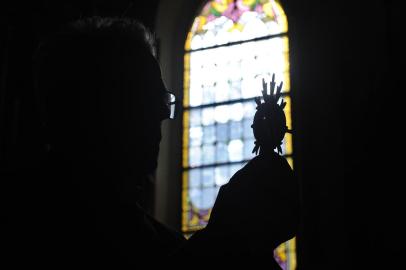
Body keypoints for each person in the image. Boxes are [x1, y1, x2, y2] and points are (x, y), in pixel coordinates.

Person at [11, 16, 299, 267]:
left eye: (164, 100)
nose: (164, 112)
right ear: (91, 104)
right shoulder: (26, 222)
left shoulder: (164, 243)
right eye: (147, 97)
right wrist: (223, 240)